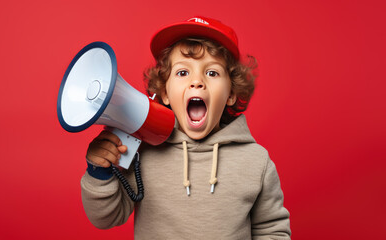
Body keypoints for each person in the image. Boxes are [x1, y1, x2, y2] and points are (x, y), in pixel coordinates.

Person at [81, 16, 291, 239]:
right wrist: (99, 171)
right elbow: (105, 218)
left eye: (212, 72)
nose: (197, 81)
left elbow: (272, 230)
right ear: (164, 93)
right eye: (183, 72)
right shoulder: (142, 152)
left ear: (230, 94)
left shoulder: (256, 161)